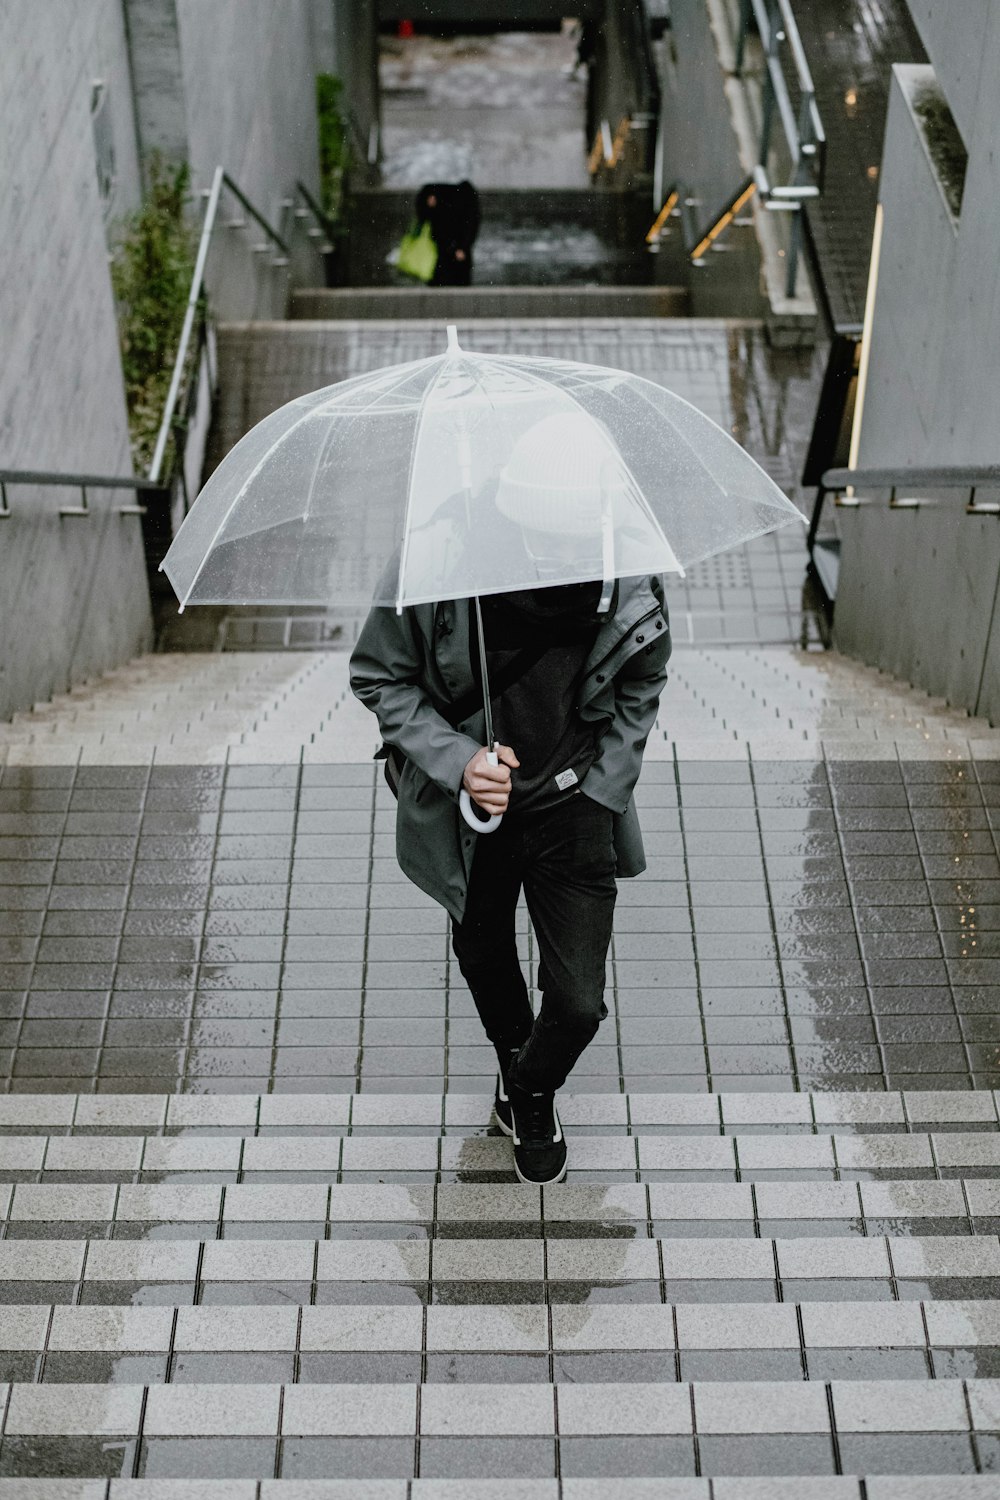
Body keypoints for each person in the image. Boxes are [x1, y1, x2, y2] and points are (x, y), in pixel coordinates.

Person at [349, 413, 671, 1185]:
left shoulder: (627, 566)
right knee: (484, 953)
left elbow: (643, 678)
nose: (563, 560)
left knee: (580, 1003)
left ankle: (527, 1087)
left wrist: (605, 787)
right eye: (545, 541)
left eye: (576, 543)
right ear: (511, 513)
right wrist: (460, 761)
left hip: (575, 808)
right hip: (473, 818)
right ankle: (520, 1083)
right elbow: (378, 676)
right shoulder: (437, 563)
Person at [415, 180, 480, 286]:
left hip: (444, 247)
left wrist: (462, 246)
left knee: (445, 280)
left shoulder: (433, 192)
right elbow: (471, 221)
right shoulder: (464, 193)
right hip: (446, 247)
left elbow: (470, 221)